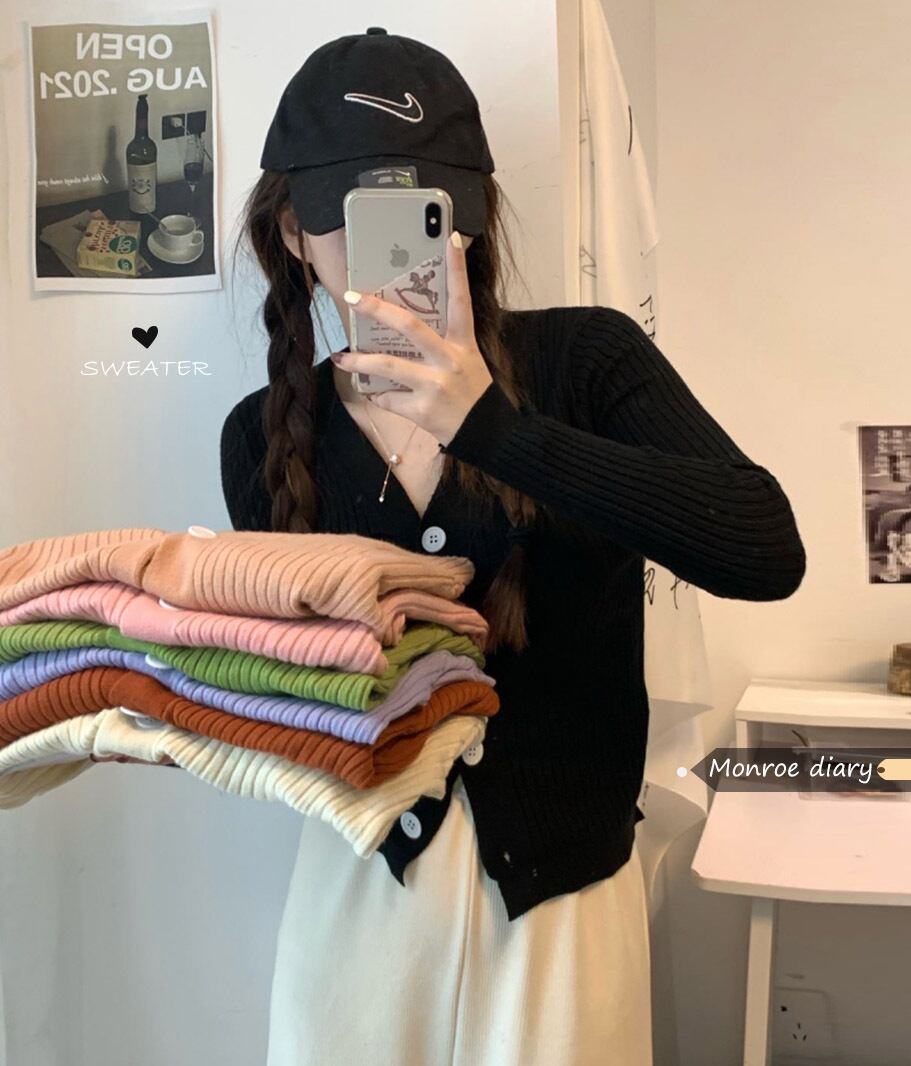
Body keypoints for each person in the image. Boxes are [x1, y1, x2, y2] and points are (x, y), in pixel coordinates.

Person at [220, 29, 806, 1066]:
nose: (397, 250)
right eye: (353, 215)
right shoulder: (264, 436)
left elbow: (763, 547)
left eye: (424, 215)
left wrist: (489, 426)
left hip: (562, 899)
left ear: (470, 220)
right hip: (359, 887)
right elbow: (293, 690)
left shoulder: (585, 361)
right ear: (294, 230)